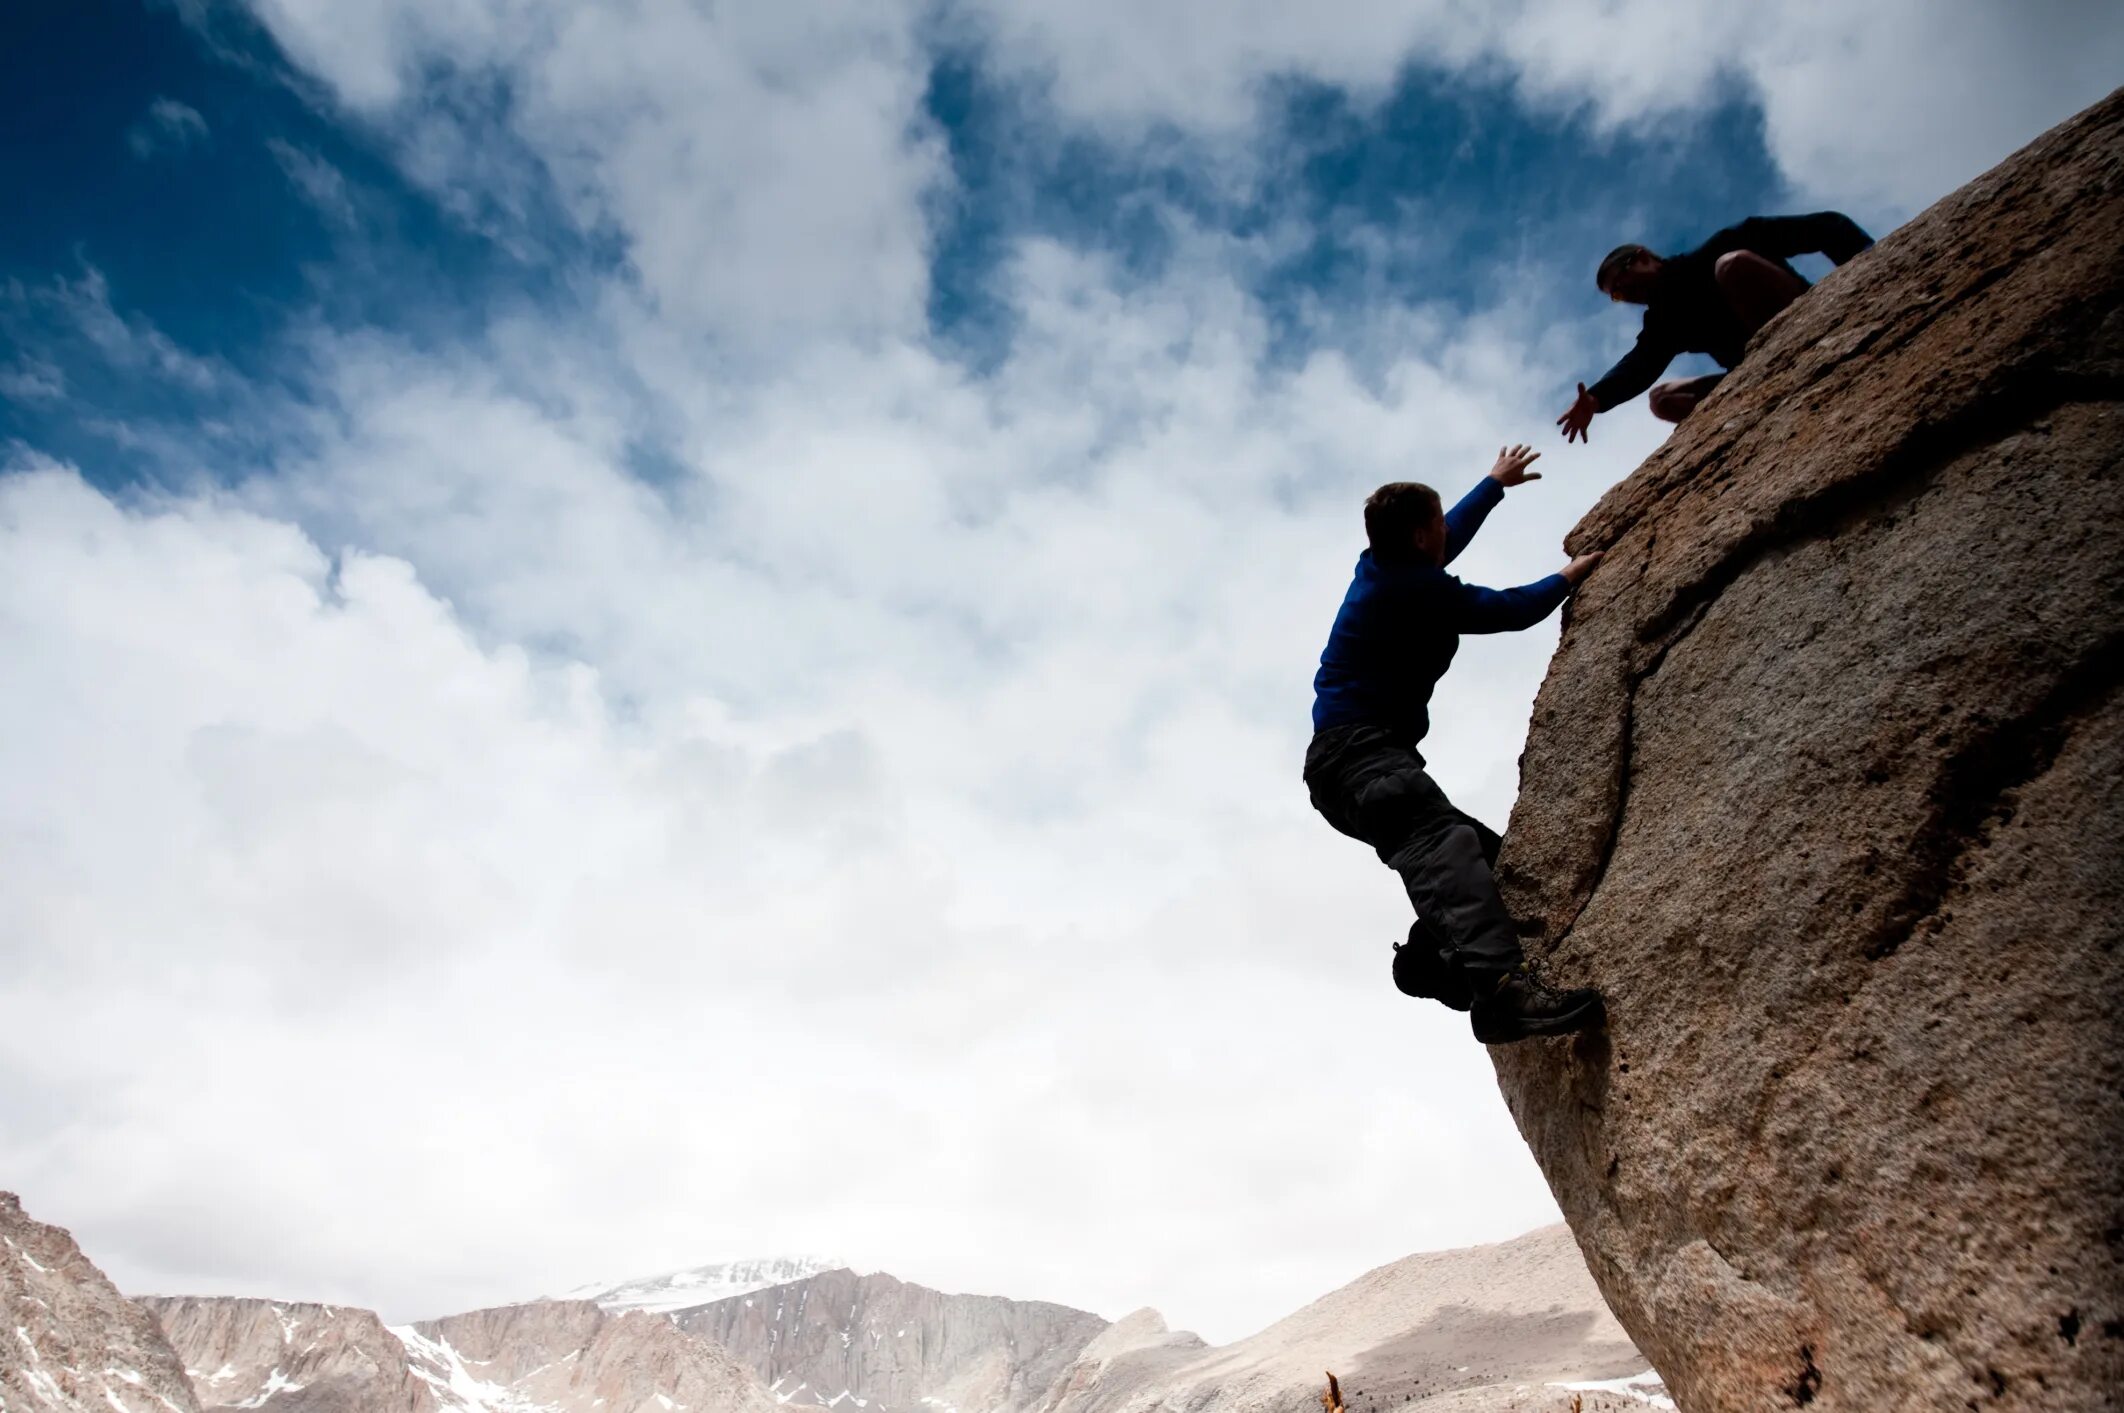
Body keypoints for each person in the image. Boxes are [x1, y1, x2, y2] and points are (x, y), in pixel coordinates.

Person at [1305, 444, 1605, 1045]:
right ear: (1419, 537)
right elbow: (1508, 610)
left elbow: (1447, 538)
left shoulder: (1393, 568)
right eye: (1436, 525)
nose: (1446, 532)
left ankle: (1430, 960)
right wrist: (1569, 577)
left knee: (1491, 863)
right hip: (1359, 758)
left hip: (1354, 765)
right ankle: (1500, 994)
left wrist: (1494, 484)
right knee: (1442, 842)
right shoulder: (1410, 591)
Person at [1556, 212, 1874, 440]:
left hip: (1807, 319)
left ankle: (1788, 344)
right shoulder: (1664, 318)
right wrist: (1596, 399)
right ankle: (1750, 430)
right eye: (1617, 295)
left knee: (1732, 265)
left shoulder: (1722, 246)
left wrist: (1873, 267)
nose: (1625, 295)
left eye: (1622, 282)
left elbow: (1825, 226)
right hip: (1756, 369)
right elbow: (1639, 364)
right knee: (1663, 399)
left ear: (1643, 257)